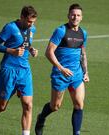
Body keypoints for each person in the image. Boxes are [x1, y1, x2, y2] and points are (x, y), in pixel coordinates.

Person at [0, 5, 38, 135]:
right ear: (22, 17)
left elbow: (26, 43)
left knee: (28, 105)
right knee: (1, 106)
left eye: (33, 22)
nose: (31, 24)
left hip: (24, 70)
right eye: (29, 21)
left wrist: (31, 49)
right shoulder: (10, 28)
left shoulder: (32, 29)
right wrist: (11, 51)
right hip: (9, 70)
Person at [34, 3, 89, 135]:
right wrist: (61, 68)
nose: (75, 17)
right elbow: (49, 52)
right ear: (68, 15)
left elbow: (83, 54)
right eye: (73, 14)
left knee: (79, 104)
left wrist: (86, 72)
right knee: (55, 106)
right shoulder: (61, 31)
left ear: (81, 17)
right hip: (60, 75)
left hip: (77, 74)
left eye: (78, 15)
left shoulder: (83, 33)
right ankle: (41, 118)